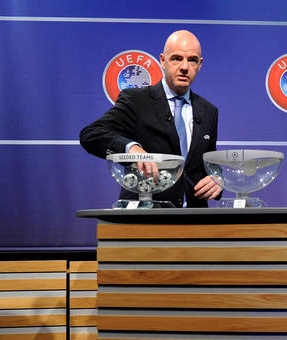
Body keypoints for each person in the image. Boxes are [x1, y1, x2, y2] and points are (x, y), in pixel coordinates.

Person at [80, 30, 222, 207]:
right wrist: (131, 148)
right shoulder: (136, 100)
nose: (184, 67)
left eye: (192, 60)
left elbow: (209, 163)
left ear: (200, 65)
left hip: (194, 217)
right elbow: (91, 134)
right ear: (162, 60)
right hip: (146, 214)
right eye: (176, 58)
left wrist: (217, 178)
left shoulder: (208, 111)